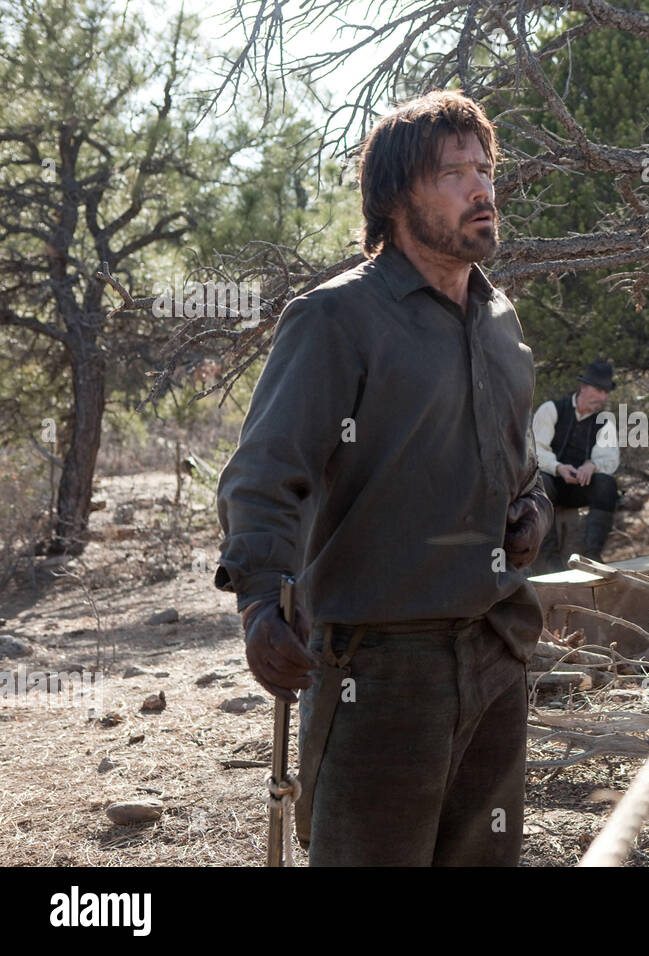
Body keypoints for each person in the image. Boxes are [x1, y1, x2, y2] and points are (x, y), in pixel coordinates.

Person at [213, 89, 551, 866]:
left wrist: (531, 511)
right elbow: (266, 475)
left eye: (484, 168)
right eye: (452, 174)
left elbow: (519, 466)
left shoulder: (501, 323)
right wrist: (260, 603)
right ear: (398, 198)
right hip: (379, 671)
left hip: (498, 650)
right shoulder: (336, 319)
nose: (481, 189)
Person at [532, 360, 620, 565]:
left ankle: (592, 555)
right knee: (540, 481)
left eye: (606, 392)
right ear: (583, 387)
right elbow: (535, 450)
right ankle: (549, 558)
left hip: (579, 487)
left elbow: (609, 458)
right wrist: (558, 468)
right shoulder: (552, 410)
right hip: (550, 484)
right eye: (598, 390)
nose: (602, 397)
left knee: (607, 485)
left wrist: (591, 465)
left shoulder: (605, 423)